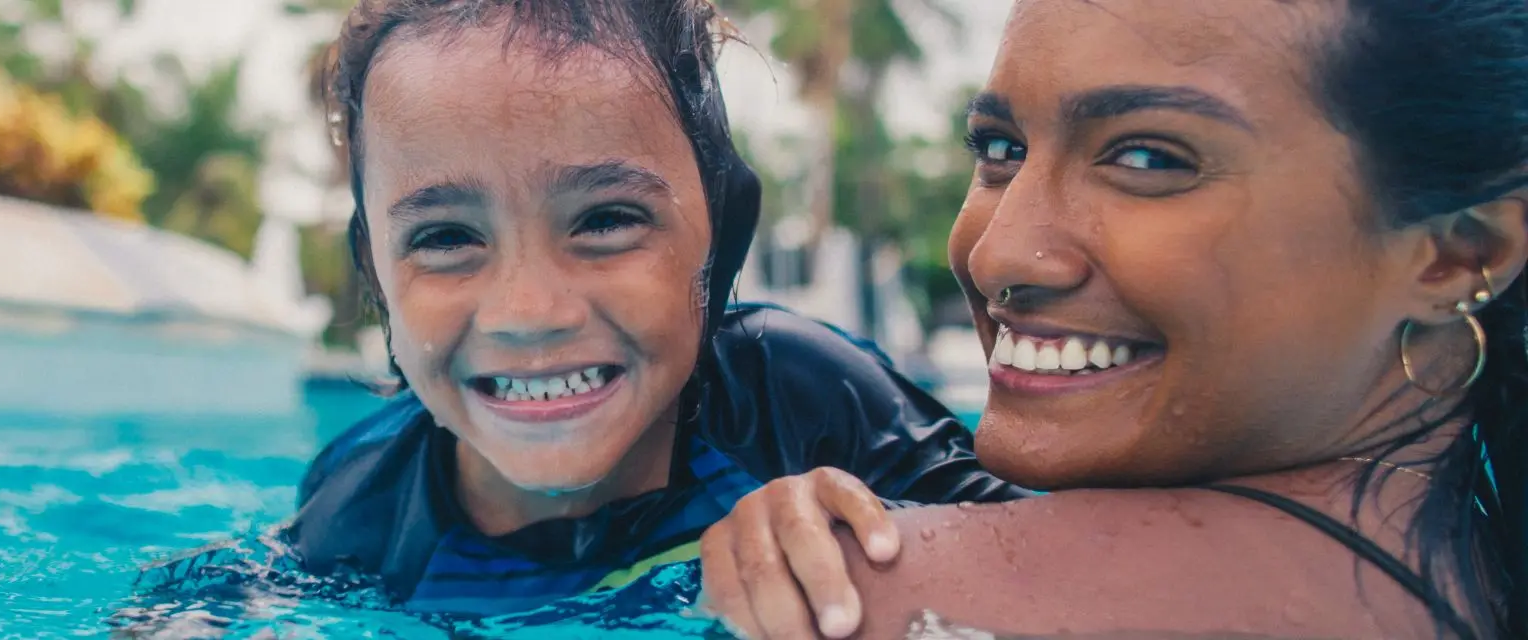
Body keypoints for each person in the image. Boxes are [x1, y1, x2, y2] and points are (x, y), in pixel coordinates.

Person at [130, 0, 1025, 621]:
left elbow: (1065, 540)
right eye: (445, 238)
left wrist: (906, 541)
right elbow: (214, 595)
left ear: (724, 236)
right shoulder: (362, 507)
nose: (528, 311)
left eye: (604, 221)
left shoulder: (801, 407)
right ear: (377, 278)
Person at [699, 1, 1526, 638]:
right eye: (999, 149)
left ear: (1458, 254)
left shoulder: (864, 594)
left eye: (1147, 159)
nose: (998, 257)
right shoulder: (1477, 553)